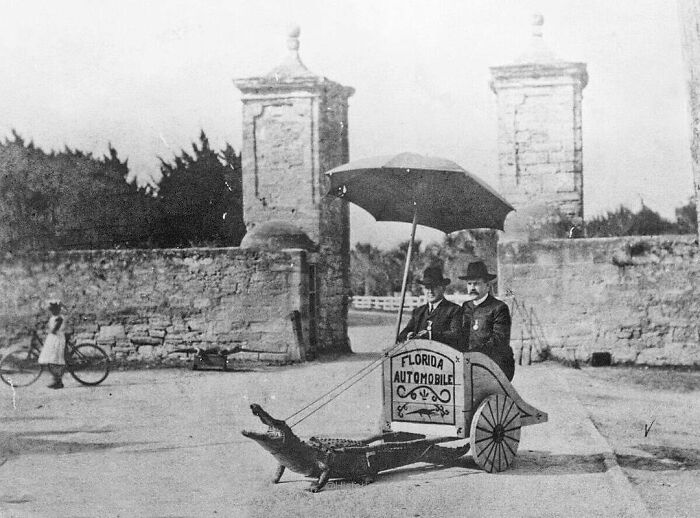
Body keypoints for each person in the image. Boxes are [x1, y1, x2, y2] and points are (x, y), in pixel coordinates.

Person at [458, 261, 515, 381]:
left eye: (476, 284)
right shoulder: (465, 307)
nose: (472, 288)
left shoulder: (498, 308)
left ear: (487, 286)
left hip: (495, 365)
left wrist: (473, 354)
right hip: (469, 364)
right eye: (469, 284)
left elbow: (499, 340)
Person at [397, 266, 462, 347]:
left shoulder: (454, 310)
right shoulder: (418, 312)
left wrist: (431, 335)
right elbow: (402, 334)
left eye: (434, 287)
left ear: (443, 288)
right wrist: (408, 335)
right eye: (427, 287)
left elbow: (455, 335)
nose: (430, 291)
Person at [37, 298, 67, 389]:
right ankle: (56, 380)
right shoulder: (53, 317)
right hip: (52, 339)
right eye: (51, 309)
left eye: (54, 309)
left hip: (57, 339)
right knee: (50, 360)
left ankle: (58, 381)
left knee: (54, 360)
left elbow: (54, 330)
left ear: (58, 309)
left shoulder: (59, 318)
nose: (52, 311)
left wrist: (47, 331)